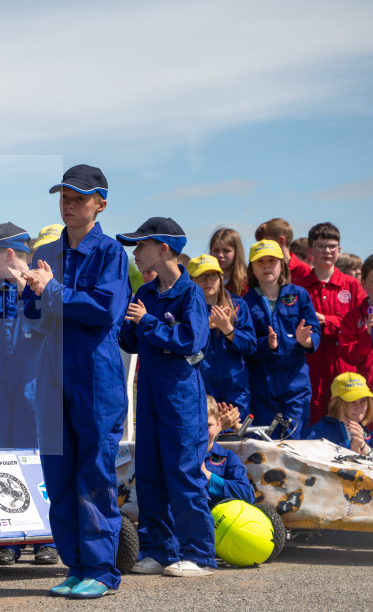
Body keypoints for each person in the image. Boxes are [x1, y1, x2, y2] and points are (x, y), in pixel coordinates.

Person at [17, 164, 130, 598]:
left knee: (94, 472)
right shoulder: (48, 252)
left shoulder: (111, 254)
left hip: (95, 377)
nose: (68, 204)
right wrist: (29, 290)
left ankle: (101, 571)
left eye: (78, 197)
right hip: (52, 372)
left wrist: (50, 291)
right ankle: (75, 565)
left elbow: (105, 309)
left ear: (100, 204)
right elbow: (35, 315)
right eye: (63, 196)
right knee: (59, 471)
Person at [117, 217, 216, 578]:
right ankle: (161, 550)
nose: (135, 254)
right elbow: (129, 342)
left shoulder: (191, 294)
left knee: (183, 471)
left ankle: (200, 554)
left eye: (140, 246)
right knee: (150, 471)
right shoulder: (143, 293)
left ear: (163, 249)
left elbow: (192, 341)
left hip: (181, 394)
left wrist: (147, 324)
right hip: (150, 391)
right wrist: (124, 321)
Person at [0, 222, 57, 567]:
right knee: (0, 464)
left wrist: (29, 293)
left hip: (31, 388)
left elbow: (44, 326)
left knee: (35, 461)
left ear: (7, 255)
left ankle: (45, 539)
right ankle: (8, 541)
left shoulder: (42, 286)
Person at [242, 240, 320, 438]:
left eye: (272, 261)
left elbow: (315, 331)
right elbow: (247, 344)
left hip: (295, 384)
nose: (266, 265)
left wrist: (306, 341)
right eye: (260, 262)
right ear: (252, 268)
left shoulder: (299, 295)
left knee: (294, 441)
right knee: (265, 443)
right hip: (262, 386)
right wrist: (267, 344)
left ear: (282, 265)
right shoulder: (245, 303)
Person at [293, 222, 366, 427]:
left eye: (332, 246)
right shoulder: (298, 287)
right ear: (310, 251)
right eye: (320, 246)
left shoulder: (352, 285)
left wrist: (327, 323)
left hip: (345, 365)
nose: (327, 251)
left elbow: (361, 326)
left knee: (346, 417)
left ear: (339, 250)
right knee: (313, 416)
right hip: (310, 364)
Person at [187, 254, 257, 422]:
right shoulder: (185, 309)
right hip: (201, 390)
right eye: (201, 276)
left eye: (212, 275)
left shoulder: (238, 305)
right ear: (191, 280)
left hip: (236, 390)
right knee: (205, 441)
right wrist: (204, 328)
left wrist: (228, 329)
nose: (208, 280)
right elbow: (183, 353)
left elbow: (250, 347)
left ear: (221, 278)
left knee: (235, 441)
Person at [203, 396, 254, 506]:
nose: (201, 432)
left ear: (218, 424)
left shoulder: (227, 457)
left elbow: (247, 495)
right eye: (195, 426)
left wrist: (208, 477)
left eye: (207, 426)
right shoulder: (176, 455)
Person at [306, 372, 373, 454]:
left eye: (363, 400)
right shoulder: (321, 430)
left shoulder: (368, 435)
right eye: (352, 401)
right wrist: (351, 456)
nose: (359, 407)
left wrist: (364, 448)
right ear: (335, 401)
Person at [340, 255, 373, 385]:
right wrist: (367, 336)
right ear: (363, 283)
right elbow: (349, 357)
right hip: (364, 393)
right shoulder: (354, 316)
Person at [255, 218, 312, 283]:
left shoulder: (302, 269)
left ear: (281, 241)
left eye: (265, 244)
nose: (261, 248)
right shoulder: (261, 269)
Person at [209, 228, 248, 296]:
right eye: (216, 250)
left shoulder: (246, 283)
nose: (220, 255)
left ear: (237, 252)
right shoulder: (203, 281)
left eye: (226, 250)